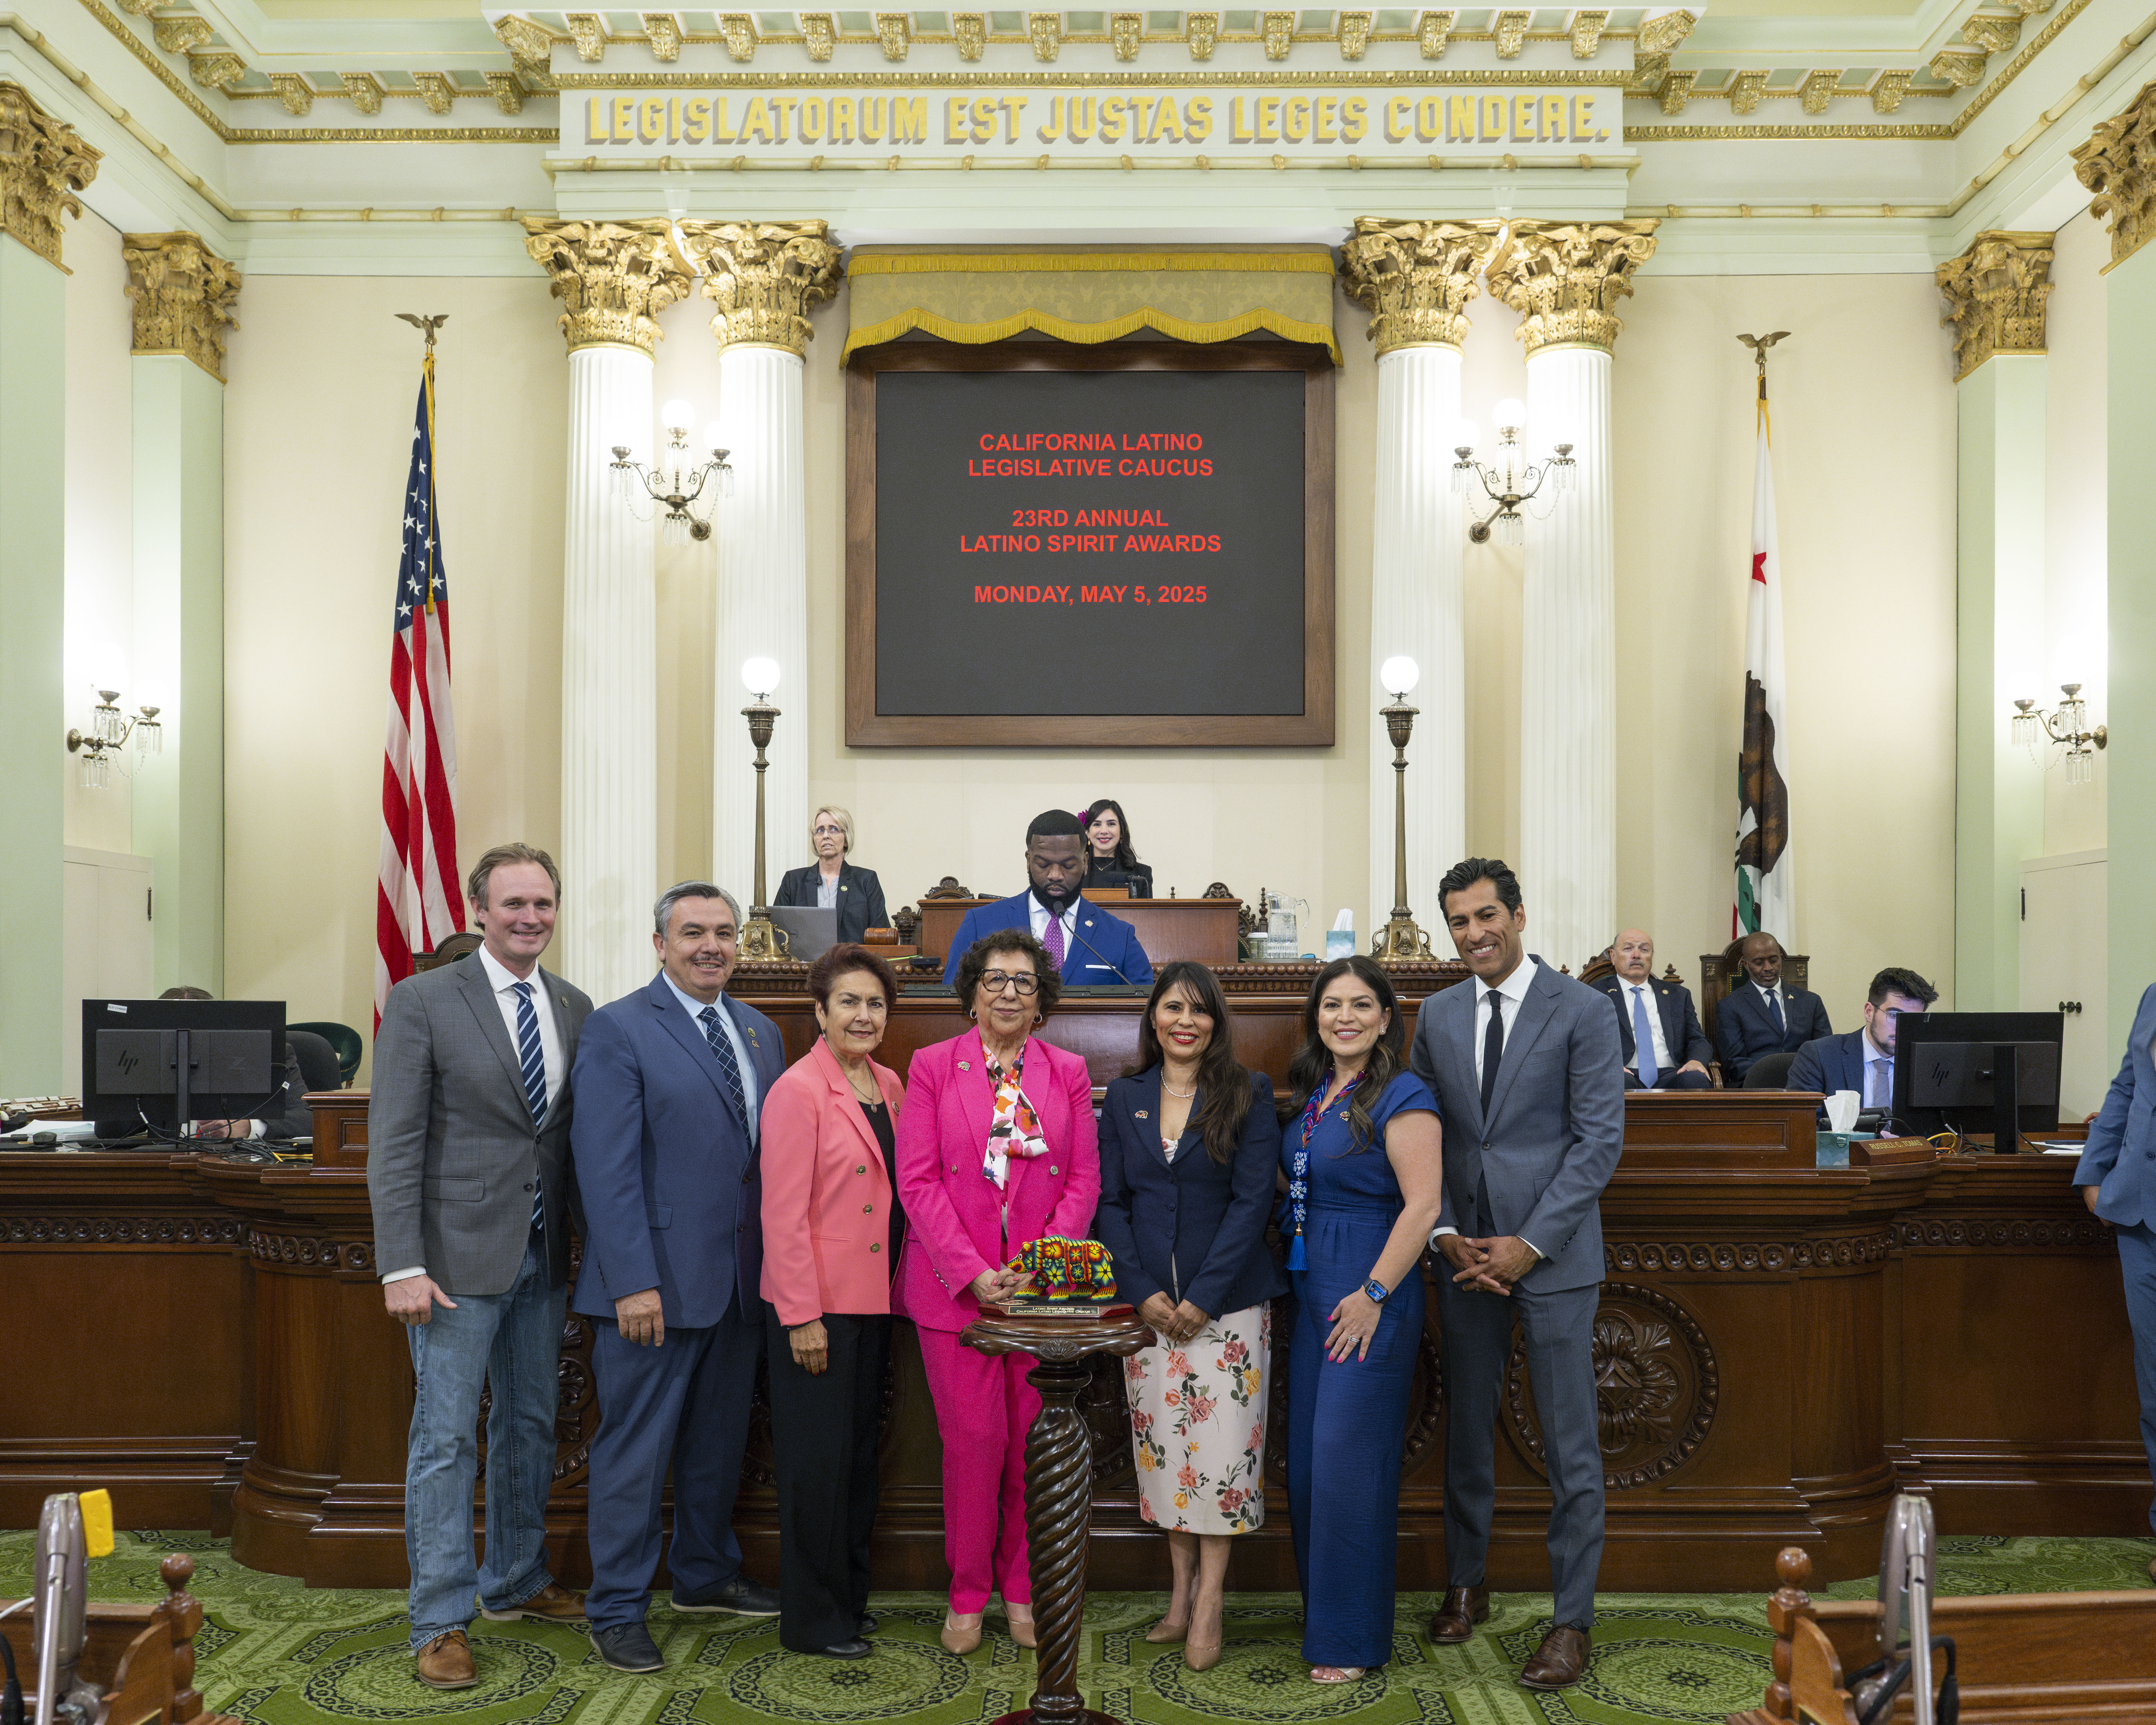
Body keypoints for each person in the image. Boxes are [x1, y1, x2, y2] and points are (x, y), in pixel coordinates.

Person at [367, 843, 594, 1690]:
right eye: (514, 904)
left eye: (543, 903)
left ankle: (517, 1578)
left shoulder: (572, 1005)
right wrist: (401, 1263)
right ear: (480, 910)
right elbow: (394, 1143)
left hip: (541, 1254)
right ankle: (439, 1618)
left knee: (530, 1424)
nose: (530, 917)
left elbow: (562, 1139)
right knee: (445, 1438)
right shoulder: (424, 1000)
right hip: (451, 1264)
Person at [1408, 857, 1625, 1693]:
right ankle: (1467, 1581)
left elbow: (1597, 1141)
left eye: (1487, 915)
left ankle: (1571, 1620)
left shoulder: (1583, 1008)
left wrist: (1529, 1242)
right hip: (1465, 1255)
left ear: (1519, 915)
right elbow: (1424, 1131)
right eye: (1459, 921)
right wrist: (1445, 1232)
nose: (1474, 933)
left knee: (1571, 1444)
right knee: (1467, 1429)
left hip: (1555, 1257)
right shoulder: (1436, 1014)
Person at [570, 881, 786, 1674]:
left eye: (724, 932)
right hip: (651, 1287)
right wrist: (632, 1280)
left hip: (737, 1284)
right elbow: (604, 1169)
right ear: (660, 943)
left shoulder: (760, 1030)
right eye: (693, 932)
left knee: (715, 1447)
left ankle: (704, 1575)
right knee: (635, 1455)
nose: (711, 946)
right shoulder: (619, 1026)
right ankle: (616, 1609)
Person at [895, 927, 1102, 1654]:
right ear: (972, 993)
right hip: (955, 1294)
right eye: (995, 979)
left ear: (1041, 1001)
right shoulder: (931, 1066)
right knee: (973, 1446)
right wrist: (975, 1273)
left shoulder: (1067, 1070)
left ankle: (1021, 1589)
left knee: (1031, 1450)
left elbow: (1083, 1181)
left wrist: (1039, 1267)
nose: (1009, 992)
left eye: (1024, 981)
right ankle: (966, 1592)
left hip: (1040, 1295)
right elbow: (917, 1181)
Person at [1093, 961, 1285, 1672]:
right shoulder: (1126, 1096)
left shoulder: (1247, 1091)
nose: (1185, 1021)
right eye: (1173, 1007)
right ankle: (1178, 1598)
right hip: (1147, 1314)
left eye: (1199, 1010)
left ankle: (1210, 1604)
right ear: (1153, 1016)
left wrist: (1202, 1295)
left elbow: (1251, 1202)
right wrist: (1140, 1289)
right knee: (1166, 1457)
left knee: (1223, 1459)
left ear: (1215, 1021)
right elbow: (1110, 1202)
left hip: (1226, 1310)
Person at [1279, 955, 1443, 1684]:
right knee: (1311, 1467)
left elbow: (1424, 1205)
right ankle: (1329, 1614)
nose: (1343, 1016)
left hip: (1370, 1293)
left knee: (1347, 1464)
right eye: (1331, 1005)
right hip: (1313, 1293)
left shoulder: (1403, 1093)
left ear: (1384, 1019)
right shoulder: (1317, 1092)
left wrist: (1373, 1293)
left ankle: (1350, 1638)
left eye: (1359, 1005)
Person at [759, 942, 908, 1660]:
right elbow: (782, 1214)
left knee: (854, 1461)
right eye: (848, 1001)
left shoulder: (889, 1083)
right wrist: (801, 1316)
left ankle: (846, 1601)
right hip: (815, 1310)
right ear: (819, 1012)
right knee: (815, 1468)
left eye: (875, 1003)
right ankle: (812, 1620)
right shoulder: (797, 1090)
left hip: (874, 1301)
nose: (863, 1015)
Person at [2074, 982, 2156, 1583]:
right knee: (2154, 1394)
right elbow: (2128, 1086)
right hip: (2140, 1218)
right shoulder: (2153, 995)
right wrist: (2093, 1173)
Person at [940, 809, 1152, 987]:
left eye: (1068, 865)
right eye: (1043, 864)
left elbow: (1143, 1009)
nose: (1055, 875)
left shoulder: (1120, 936)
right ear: (1028, 861)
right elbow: (952, 1003)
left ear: (1085, 862)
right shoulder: (980, 924)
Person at [93, 984, 314, 1141]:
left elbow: (311, 1119)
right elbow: (107, 1129)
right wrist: (147, 1078)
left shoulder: (272, 1055)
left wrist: (248, 1127)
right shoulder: (146, 1061)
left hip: (237, 1167)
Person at [1788, 967, 1937, 1119]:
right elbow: (1801, 1124)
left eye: (1913, 1020)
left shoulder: (1927, 1064)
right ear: (1869, 1012)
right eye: (1894, 1015)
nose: (1903, 1028)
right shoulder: (1819, 1055)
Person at [1588, 931, 1713, 1090]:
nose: (1636, 955)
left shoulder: (1677, 995)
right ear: (1613, 956)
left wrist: (1696, 1061)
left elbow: (1698, 1040)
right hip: (1623, 1072)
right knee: (1616, 1080)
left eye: (1644, 950)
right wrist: (1608, 1065)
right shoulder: (1595, 994)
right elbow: (1586, 1041)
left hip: (1672, 1073)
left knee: (1696, 1079)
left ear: (1651, 957)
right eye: (1628, 949)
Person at [1714, 931, 1831, 1082]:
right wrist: (1773, 1078)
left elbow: (1826, 1050)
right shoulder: (1730, 1006)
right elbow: (1734, 1062)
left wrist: (1802, 1077)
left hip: (1806, 1082)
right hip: (1758, 1086)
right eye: (1759, 963)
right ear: (1746, 965)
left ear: (1781, 959)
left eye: (1773, 961)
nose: (1768, 968)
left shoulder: (1811, 1001)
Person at [773, 805, 890, 944]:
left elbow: (882, 937)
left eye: (834, 829)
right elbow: (776, 932)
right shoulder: (793, 881)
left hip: (853, 958)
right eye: (820, 830)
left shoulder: (866, 880)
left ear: (846, 839)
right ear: (814, 839)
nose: (826, 836)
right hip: (802, 959)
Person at [1082, 798, 1154, 898]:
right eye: (1097, 825)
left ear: (1121, 832)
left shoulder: (1141, 874)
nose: (1104, 831)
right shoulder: (1075, 872)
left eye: (1111, 824)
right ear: (1088, 832)